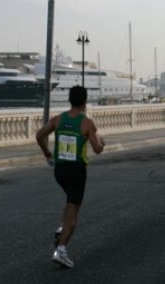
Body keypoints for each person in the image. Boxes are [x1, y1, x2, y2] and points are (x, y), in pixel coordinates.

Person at [36, 85, 105, 268]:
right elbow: (97, 150)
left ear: (69, 100)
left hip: (60, 171)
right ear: (85, 101)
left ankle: (61, 230)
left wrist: (48, 155)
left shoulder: (58, 119)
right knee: (73, 213)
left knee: (69, 202)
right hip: (77, 171)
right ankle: (61, 250)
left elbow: (39, 136)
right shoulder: (87, 123)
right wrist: (103, 142)